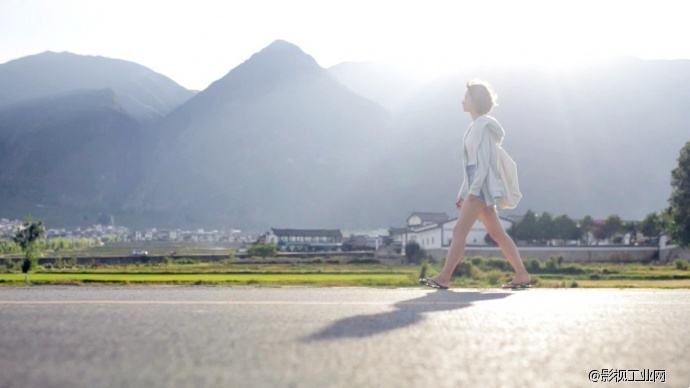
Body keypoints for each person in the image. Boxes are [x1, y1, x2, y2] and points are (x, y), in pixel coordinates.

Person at [420, 80, 531, 289]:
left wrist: (472, 192)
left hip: (479, 188)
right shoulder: (476, 126)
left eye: (466, 97)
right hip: (478, 187)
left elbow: (482, 163)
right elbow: (470, 168)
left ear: (475, 101)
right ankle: (522, 274)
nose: (462, 100)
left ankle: (444, 277)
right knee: (498, 234)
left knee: (459, 232)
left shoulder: (481, 126)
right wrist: (464, 193)